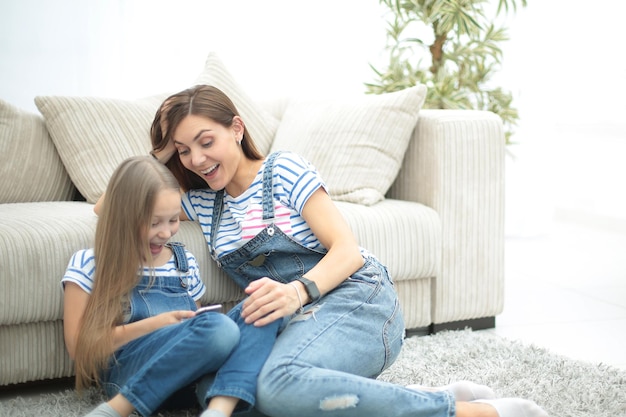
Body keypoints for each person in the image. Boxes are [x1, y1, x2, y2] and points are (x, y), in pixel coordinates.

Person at [148, 84, 549, 417]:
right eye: (184, 151)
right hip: (289, 323)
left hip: (356, 296)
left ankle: (477, 413)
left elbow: (348, 250)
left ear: (236, 128)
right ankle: (405, 397)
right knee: (217, 395)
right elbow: (120, 202)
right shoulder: (201, 203)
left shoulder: (282, 170)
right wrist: (163, 151)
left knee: (275, 386)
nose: (197, 159)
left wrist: (295, 292)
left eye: (205, 141)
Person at [63, 156, 280, 417]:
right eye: (155, 223)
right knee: (219, 327)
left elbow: (201, 335)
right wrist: (156, 324)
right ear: (123, 217)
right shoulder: (89, 263)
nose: (166, 233)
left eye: (172, 220)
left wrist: (191, 327)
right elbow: (79, 349)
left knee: (266, 303)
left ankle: (219, 408)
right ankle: (117, 408)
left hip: (189, 379)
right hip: (128, 374)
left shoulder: (183, 261)